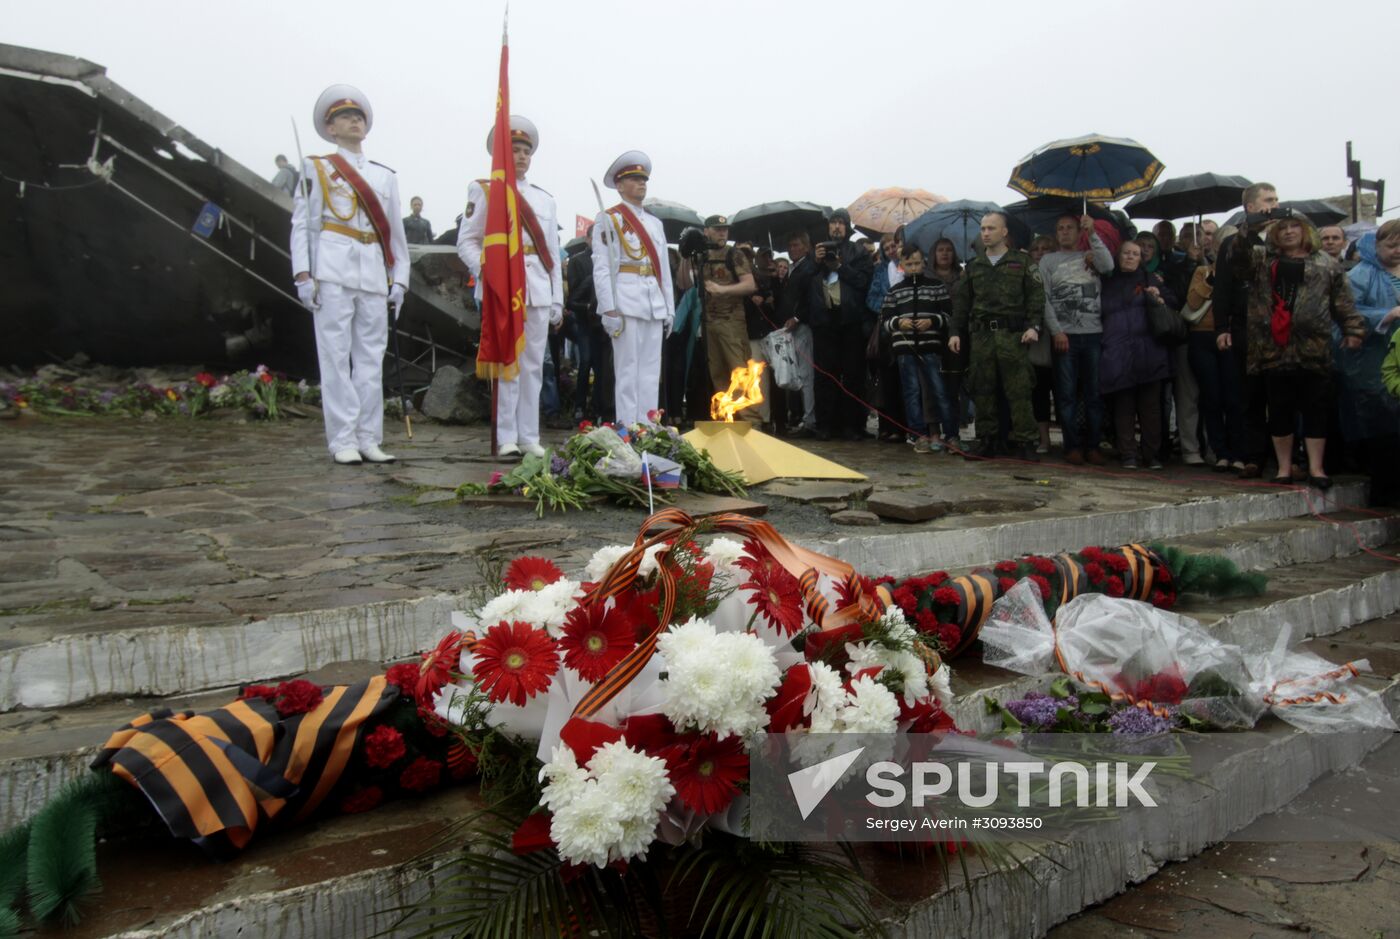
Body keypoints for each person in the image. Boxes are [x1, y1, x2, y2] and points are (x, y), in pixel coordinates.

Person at [291, 85, 409, 465]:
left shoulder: (384, 176)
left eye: (359, 117)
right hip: (332, 271)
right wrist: (303, 274)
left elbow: (396, 234)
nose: (354, 121)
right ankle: (342, 439)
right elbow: (303, 225)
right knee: (335, 358)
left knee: (371, 360)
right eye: (345, 117)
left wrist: (400, 279)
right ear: (330, 128)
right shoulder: (317, 167)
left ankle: (369, 438)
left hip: (373, 273)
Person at [457, 115, 563, 460]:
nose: (521, 156)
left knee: (533, 365)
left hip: (537, 288)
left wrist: (557, 299)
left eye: (526, 151)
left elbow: (551, 254)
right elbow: (467, 241)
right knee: (507, 362)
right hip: (504, 288)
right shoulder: (485, 189)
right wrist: (488, 271)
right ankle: (506, 436)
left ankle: (529, 435)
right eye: (514, 150)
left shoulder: (544, 200)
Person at [1237, 216, 1365, 488]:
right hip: (1273, 349)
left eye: (1294, 226)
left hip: (1314, 348)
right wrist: (1248, 230)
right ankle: (1284, 468)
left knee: (1316, 409)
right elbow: (1237, 260)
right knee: (1279, 410)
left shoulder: (1326, 263)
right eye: (1282, 228)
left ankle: (1316, 468)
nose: (1288, 232)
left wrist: (1353, 330)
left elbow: (1342, 301)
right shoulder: (1262, 260)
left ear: (1306, 230)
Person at [950, 212, 1045, 461]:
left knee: (1019, 390)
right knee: (982, 388)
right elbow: (961, 304)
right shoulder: (974, 266)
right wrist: (955, 332)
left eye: (991, 228)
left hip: (1012, 336)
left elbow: (1036, 297)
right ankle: (987, 439)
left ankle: (1026, 441)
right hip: (981, 336)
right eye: (983, 228)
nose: (985, 233)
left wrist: (1034, 326)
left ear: (1004, 232)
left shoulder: (1022, 262)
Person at [592, 151, 675, 427]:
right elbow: (602, 268)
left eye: (643, 179)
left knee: (651, 372)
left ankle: (648, 427)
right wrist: (608, 308)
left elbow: (663, 270)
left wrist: (669, 308)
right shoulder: (609, 219)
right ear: (619, 185)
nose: (641, 183)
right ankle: (628, 428)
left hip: (653, 302)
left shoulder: (655, 223)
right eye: (634, 179)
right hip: (625, 301)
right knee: (627, 370)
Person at [1215, 183, 1282, 478]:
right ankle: (1253, 456)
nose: (1274, 205)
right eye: (1268, 200)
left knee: (1281, 396)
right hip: (1245, 327)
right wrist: (1222, 327)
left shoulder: (1284, 239)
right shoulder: (1234, 244)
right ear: (1251, 207)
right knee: (1250, 395)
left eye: (1276, 199)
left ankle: (1285, 458)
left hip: (1280, 328)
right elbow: (1222, 288)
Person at [1041, 213, 1113, 465]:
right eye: (1060, 228)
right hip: (1065, 336)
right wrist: (1056, 331)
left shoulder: (1090, 255)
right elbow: (1044, 298)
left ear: (1078, 231)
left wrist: (1092, 233)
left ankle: (1093, 445)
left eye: (1070, 227)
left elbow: (1109, 266)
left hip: (1093, 334)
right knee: (1066, 394)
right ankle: (1071, 446)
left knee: (1094, 394)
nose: (1064, 232)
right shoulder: (1048, 260)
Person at [1099, 240, 1175, 469]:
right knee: (1124, 407)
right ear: (1118, 256)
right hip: (1117, 349)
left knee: (1150, 407)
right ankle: (1128, 454)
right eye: (1126, 253)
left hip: (1148, 349)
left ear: (1141, 259)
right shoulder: (1106, 281)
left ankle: (1152, 454)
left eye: (1135, 254)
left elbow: (1173, 301)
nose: (1130, 257)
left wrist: (1159, 297)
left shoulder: (1150, 279)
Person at [1344, 222, 1400, 504]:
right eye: (1392, 245)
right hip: (1374, 358)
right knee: (1385, 424)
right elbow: (1347, 313)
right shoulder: (1360, 274)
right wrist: (1386, 314)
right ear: (1376, 245)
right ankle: (1385, 492)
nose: (1397, 251)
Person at [883, 244, 957, 452]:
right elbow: (885, 321)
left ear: (923, 263)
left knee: (940, 391)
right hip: (905, 349)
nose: (914, 267)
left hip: (931, 347)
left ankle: (951, 435)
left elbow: (949, 315)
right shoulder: (895, 291)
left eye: (917, 263)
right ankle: (918, 435)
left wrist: (932, 321)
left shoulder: (936, 287)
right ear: (902, 265)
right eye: (909, 264)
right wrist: (899, 323)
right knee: (911, 392)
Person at [809, 208, 874, 440]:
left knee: (853, 374)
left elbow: (864, 281)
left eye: (841, 223)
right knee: (825, 375)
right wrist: (815, 262)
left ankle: (852, 425)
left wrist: (839, 267)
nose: (836, 227)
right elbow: (803, 281)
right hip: (824, 321)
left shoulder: (858, 251)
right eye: (833, 222)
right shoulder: (816, 251)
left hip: (850, 321)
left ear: (847, 227)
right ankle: (826, 424)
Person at [686, 215, 755, 397]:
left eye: (725, 229)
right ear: (706, 231)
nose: (722, 233)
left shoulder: (734, 254)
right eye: (717, 229)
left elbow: (750, 285)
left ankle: (748, 414)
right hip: (708, 323)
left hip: (731, 322)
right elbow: (684, 283)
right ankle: (725, 413)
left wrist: (722, 290)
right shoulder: (701, 255)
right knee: (718, 376)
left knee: (740, 372)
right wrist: (686, 254)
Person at [565, 226, 613, 423]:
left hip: (603, 324)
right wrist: (588, 306)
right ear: (588, 239)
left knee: (603, 367)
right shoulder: (578, 261)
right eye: (597, 238)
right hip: (585, 321)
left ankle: (599, 407)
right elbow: (572, 298)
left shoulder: (610, 260)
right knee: (585, 362)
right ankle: (579, 406)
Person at [780, 231, 820, 437]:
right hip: (792, 326)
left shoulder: (809, 268)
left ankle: (810, 419)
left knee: (805, 374)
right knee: (798, 373)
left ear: (806, 247)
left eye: (796, 245)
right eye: (790, 245)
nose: (792, 249)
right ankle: (805, 416)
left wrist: (797, 317)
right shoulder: (794, 268)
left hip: (802, 326)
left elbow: (809, 298)